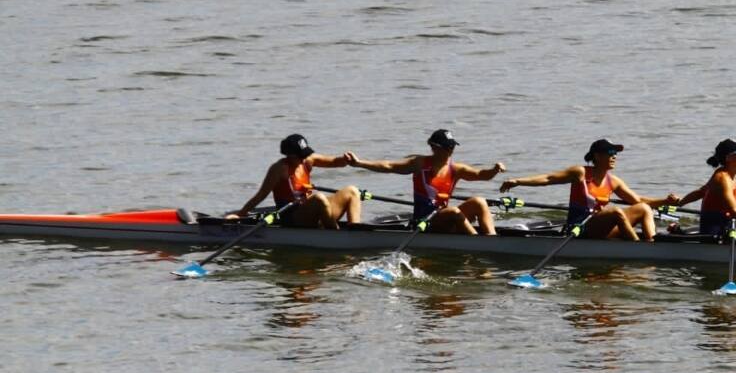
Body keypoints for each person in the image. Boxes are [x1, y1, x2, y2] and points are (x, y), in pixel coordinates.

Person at [498, 138, 678, 241]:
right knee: (615, 211)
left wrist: (665, 201)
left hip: (601, 227)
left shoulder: (613, 181)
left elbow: (638, 201)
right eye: (610, 153)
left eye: (616, 153)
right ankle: (639, 250)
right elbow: (548, 178)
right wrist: (517, 181)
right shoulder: (580, 173)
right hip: (579, 228)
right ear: (597, 156)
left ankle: (652, 243)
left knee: (644, 209)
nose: (614, 156)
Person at [345, 129, 505, 235]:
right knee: (455, 212)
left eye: (453, 146)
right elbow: (389, 166)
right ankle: (477, 244)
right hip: (424, 222)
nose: (452, 150)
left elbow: (481, 175)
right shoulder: (419, 164)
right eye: (448, 147)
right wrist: (359, 163)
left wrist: (494, 170)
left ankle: (491, 239)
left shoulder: (456, 169)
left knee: (479, 202)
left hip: (443, 217)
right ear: (435, 148)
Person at [231, 134, 362, 228]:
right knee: (319, 198)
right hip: (292, 217)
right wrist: (240, 214)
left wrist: (346, 160)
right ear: (290, 155)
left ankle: (355, 230)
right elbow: (261, 195)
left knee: (352, 191)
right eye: (301, 156)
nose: (305, 158)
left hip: (311, 212)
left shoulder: (308, 160)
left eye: (305, 154)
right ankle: (336, 235)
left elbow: (335, 162)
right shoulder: (279, 169)